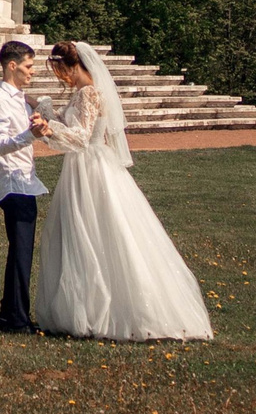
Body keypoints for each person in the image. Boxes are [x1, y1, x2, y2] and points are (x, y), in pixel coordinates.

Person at [33, 39, 214, 342]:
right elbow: (69, 133)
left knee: (95, 232)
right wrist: (46, 120)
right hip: (82, 168)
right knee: (82, 234)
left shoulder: (89, 93)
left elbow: (79, 138)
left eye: (61, 70)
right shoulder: (82, 93)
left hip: (91, 169)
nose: (60, 76)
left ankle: (107, 311)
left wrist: (50, 128)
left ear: (73, 65)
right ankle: (85, 308)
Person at [0, 39, 49, 333]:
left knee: (20, 253)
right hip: (13, 184)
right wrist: (29, 135)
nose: (32, 71)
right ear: (12, 66)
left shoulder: (21, 99)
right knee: (21, 253)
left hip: (25, 180)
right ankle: (18, 321)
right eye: (28, 66)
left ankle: (9, 317)